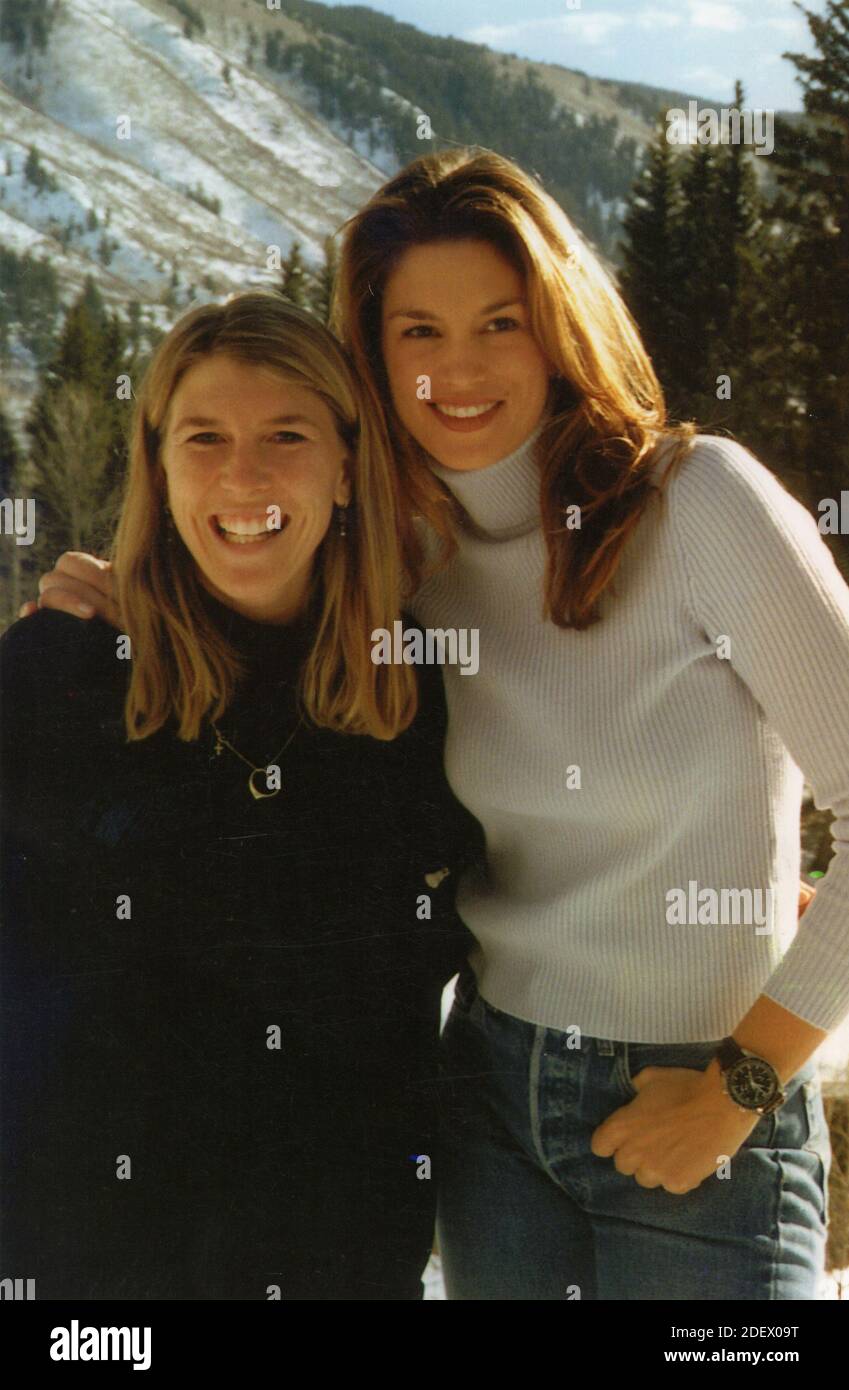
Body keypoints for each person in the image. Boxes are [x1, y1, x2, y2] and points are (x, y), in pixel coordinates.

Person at [23, 148, 848, 1301]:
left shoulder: (701, 503)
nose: (457, 369)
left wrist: (739, 1089)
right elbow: (257, 550)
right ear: (373, 352)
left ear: (559, 323)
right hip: (489, 1101)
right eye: (417, 331)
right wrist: (127, 594)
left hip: (701, 1101)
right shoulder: (414, 558)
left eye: (499, 322)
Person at [0, 291, 481, 1301]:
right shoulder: (62, 675)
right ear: (159, 463)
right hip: (96, 1266)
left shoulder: (421, 688)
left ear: (348, 464)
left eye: (286, 435)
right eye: (204, 436)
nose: (242, 474)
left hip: (344, 1249)